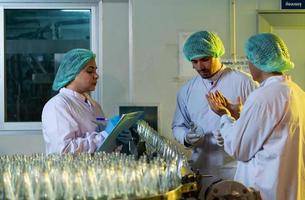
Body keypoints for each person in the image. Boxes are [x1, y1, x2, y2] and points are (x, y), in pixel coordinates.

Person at [206, 33, 305, 200]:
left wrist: (224, 114)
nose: (249, 65)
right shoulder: (297, 93)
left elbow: (239, 149)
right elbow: (273, 134)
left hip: (263, 191)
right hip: (290, 190)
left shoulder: (262, 97)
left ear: (257, 62)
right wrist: (242, 117)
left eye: (249, 60)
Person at [172, 30, 257, 181]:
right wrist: (186, 137)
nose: (200, 67)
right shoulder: (187, 90)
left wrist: (233, 133)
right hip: (202, 167)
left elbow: (258, 125)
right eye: (194, 61)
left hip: (236, 168)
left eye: (205, 59)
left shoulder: (244, 82)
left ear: (217, 54)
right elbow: (178, 125)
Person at [42, 48, 130, 154]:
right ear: (72, 72)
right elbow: (64, 150)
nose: (96, 76)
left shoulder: (94, 105)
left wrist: (116, 139)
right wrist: (105, 136)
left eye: (95, 70)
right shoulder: (57, 105)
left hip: (95, 168)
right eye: (90, 71)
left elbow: (102, 146)